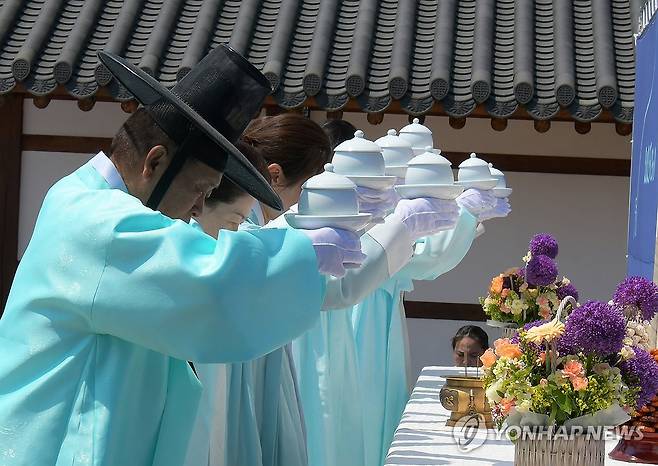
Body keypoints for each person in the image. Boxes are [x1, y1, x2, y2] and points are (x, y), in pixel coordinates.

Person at [0, 46, 366, 466]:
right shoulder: (98, 220)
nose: (197, 209)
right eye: (198, 190)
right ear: (155, 162)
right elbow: (209, 282)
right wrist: (303, 251)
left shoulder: (86, 199)